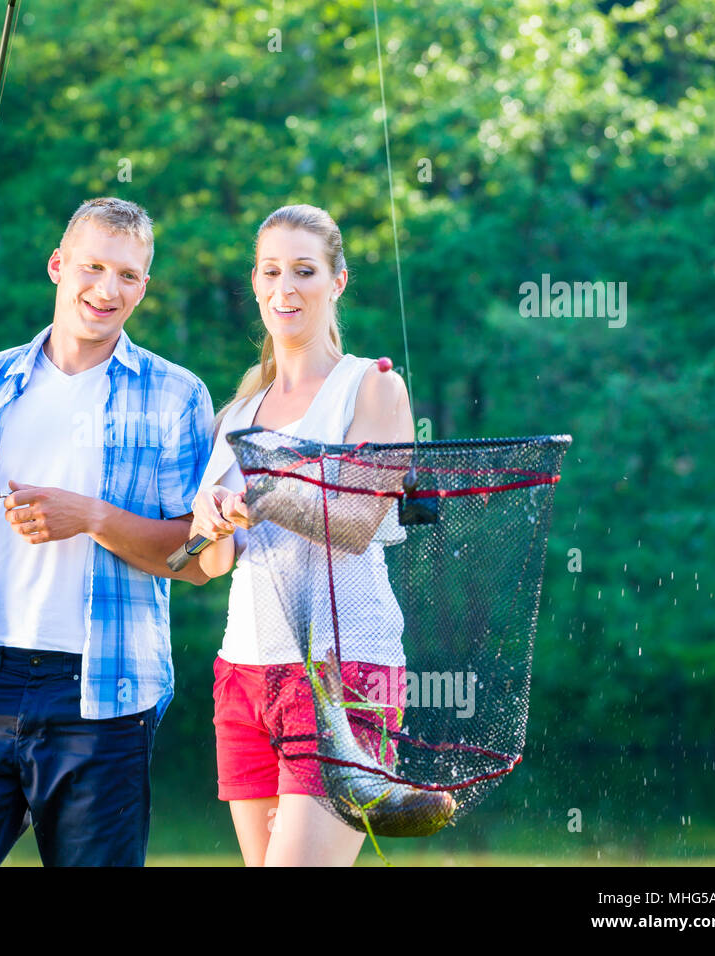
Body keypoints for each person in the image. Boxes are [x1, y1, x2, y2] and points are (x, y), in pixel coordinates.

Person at [0, 197, 213, 867]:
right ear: (58, 266)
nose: (107, 289)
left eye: (128, 275)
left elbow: (197, 558)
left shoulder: (177, 396)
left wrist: (91, 518)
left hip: (104, 697)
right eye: (92, 267)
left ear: (144, 287)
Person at [188, 203, 418, 866]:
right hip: (243, 676)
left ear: (337, 281)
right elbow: (215, 560)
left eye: (305, 271)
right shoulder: (239, 410)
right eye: (271, 271)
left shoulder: (370, 387)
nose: (285, 288)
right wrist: (211, 523)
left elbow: (359, 523)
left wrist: (263, 494)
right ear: (255, 283)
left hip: (344, 674)